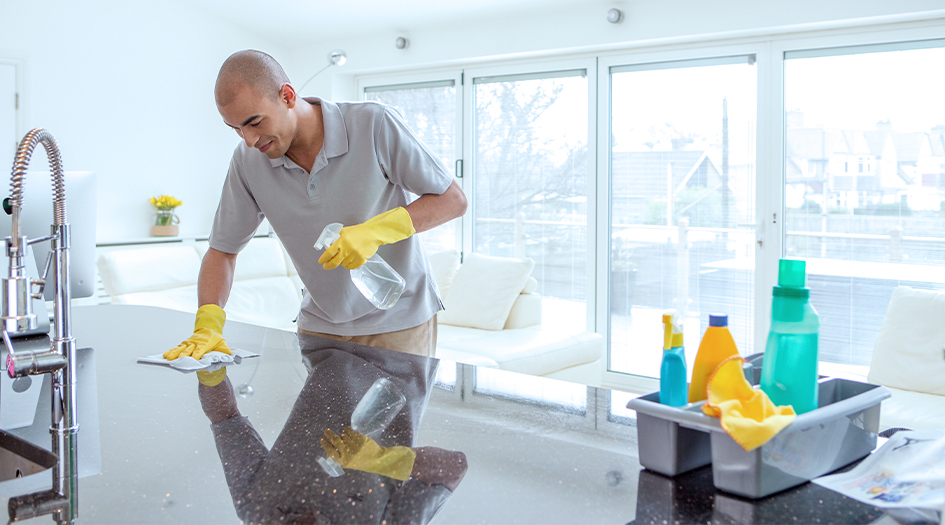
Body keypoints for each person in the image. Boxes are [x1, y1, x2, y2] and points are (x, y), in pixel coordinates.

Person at [164, 49, 466, 363]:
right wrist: (208, 324)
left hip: (398, 320)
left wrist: (374, 232)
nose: (249, 140)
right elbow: (222, 251)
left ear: (287, 96)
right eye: (237, 129)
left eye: (254, 122)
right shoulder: (247, 161)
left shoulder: (373, 124)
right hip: (320, 327)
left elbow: (453, 200)